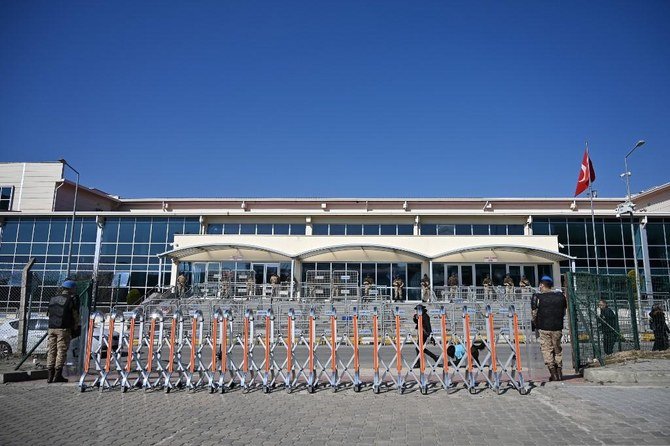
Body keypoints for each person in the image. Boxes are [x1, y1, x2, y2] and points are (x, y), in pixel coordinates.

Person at [531, 275, 567, 381]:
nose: (539, 288)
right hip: (557, 327)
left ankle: (553, 373)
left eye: (540, 285)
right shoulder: (560, 296)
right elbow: (563, 312)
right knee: (557, 349)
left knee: (547, 349)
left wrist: (535, 324)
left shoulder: (538, 297)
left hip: (544, 327)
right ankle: (559, 373)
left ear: (542, 285)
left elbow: (534, 314)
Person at [46, 280, 80, 383]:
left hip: (51, 328)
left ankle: (49, 376)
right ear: (71, 289)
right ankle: (57, 375)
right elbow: (75, 316)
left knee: (51, 351)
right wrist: (75, 327)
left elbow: (48, 314)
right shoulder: (71, 299)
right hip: (63, 329)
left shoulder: (53, 299)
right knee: (61, 351)